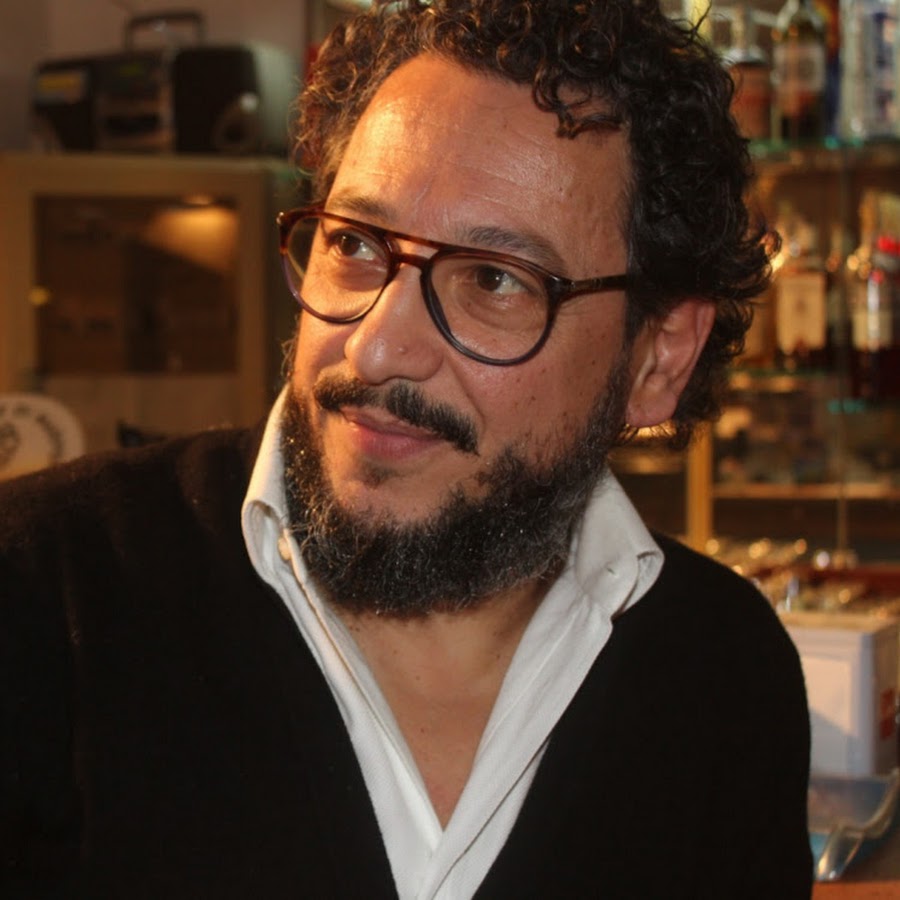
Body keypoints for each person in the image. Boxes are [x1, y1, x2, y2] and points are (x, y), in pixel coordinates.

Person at [1, 0, 812, 897]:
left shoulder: (725, 674)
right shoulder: (38, 596)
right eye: (354, 244)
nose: (378, 345)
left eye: (494, 280)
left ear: (657, 359)